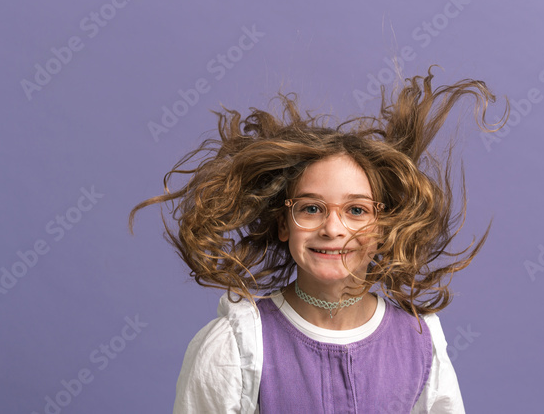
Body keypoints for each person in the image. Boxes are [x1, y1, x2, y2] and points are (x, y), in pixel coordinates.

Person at [129, 66, 504, 413]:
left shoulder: (420, 340)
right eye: (311, 208)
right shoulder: (237, 345)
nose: (333, 229)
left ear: (383, 227)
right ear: (283, 224)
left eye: (356, 210)